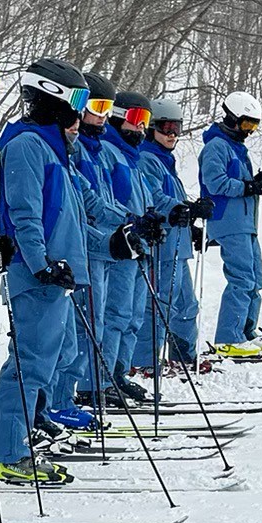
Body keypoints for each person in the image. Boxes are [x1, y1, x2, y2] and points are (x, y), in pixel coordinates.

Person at [0, 59, 89, 482]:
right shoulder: (28, 145)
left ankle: (16, 437)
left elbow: (71, 216)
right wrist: (41, 263)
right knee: (29, 363)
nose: (81, 113)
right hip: (38, 275)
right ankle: (7, 449)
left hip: (55, 274)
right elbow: (23, 212)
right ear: (53, 96)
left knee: (46, 361)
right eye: (77, 100)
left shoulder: (53, 149)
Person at [61, 69, 133, 422]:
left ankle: (92, 384)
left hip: (102, 246)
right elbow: (77, 210)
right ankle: (75, 392)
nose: (102, 115)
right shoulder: (72, 151)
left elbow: (96, 200)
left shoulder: (98, 151)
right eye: (96, 106)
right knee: (78, 327)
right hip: (84, 250)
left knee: (98, 322)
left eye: (108, 107)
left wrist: (131, 220)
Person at [134, 98, 205, 367]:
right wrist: (179, 209)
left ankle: (184, 356)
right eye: (165, 128)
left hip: (177, 245)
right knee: (158, 307)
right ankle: (144, 362)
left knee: (186, 305)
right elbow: (154, 197)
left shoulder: (165, 159)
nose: (172, 135)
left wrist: (191, 217)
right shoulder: (147, 158)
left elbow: (172, 198)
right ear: (151, 128)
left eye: (177, 129)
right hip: (160, 246)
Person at [200, 92, 262, 354]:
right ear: (231, 118)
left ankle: (246, 330)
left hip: (245, 221)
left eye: (254, 126)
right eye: (246, 125)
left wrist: (260, 180)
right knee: (241, 278)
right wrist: (249, 186)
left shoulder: (236, 148)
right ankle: (228, 337)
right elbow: (215, 182)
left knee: (255, 278)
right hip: (228, 220)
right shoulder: (216, 146)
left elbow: (240, 181)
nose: (249, 132)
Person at [103, 92, 164, 389]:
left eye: (146, 121)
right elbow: (106, 201)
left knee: (133, 315)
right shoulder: (108, 151)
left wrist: (151, 218)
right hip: (121, 246)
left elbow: (143, 198)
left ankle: (119, 370)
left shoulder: (132, 157)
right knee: (115, 313)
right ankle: (102, 377)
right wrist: (132, 222)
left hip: (140, 246)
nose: (141, 128)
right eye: (136, 119)